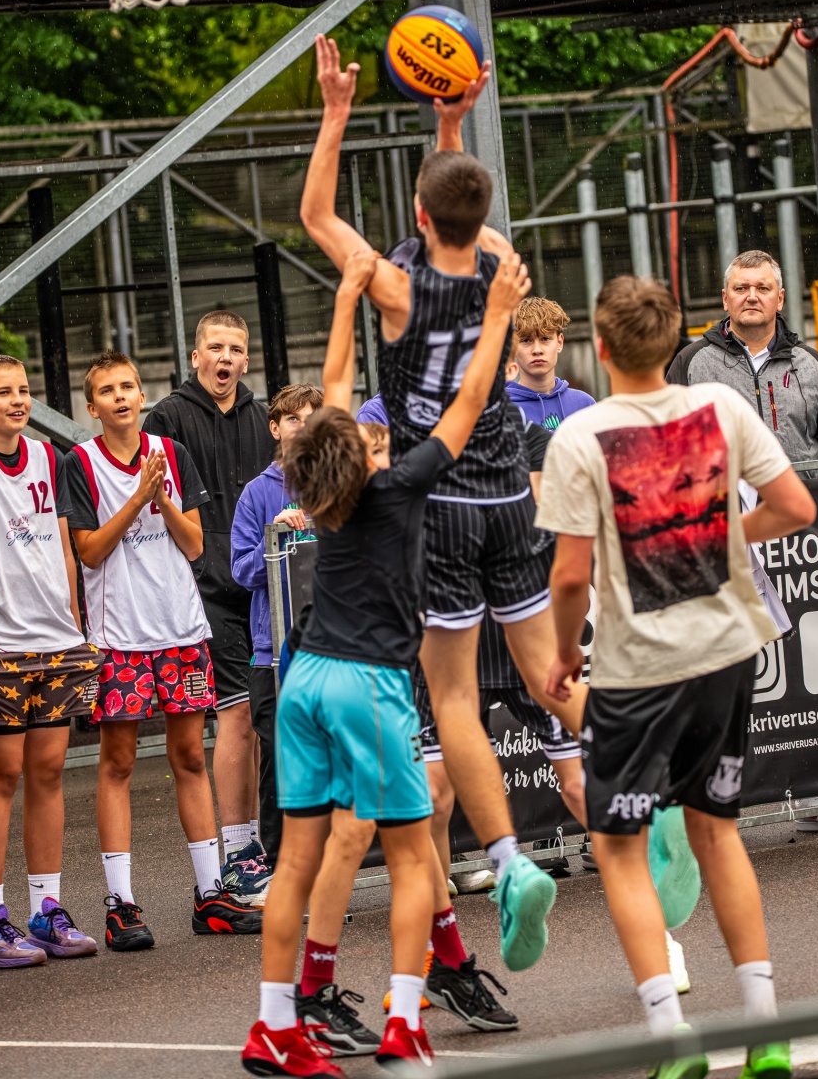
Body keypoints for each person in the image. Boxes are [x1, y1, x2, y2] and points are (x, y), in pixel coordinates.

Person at [300, 35, 588, 974]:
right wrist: (452, 122)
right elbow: (461, 204)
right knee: (548, 672)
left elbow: (315, 214)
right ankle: (644, 788)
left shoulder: (390, 285)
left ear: (416, 215)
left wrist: (337, 112)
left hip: (439, 492)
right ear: (478, 212)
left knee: (455, 696)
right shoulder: (502, 264)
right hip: (509, 483)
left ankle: (507, 861)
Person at [242, 245, 531, 1077]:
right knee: (411, 857)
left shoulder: (314, 486)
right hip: (368, 682)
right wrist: (498, 316)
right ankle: (405, 1024)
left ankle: (273, 1026)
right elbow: (470, 401)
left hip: (303, 678)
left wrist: (347, 297)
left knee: (296, 862)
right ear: (366, 454)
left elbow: (334, 388)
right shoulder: (402, 489)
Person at [540, 275, 816, 1079]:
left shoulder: (581, 435)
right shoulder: (721, 406)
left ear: (599, 345)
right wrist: (722, 537)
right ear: (675, 341)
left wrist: (563, 654)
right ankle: (766, 1030)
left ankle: (671, 1040)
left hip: (639, 667)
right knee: (718, 831)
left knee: (619, 846)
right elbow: (795, 507)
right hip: (726, 649)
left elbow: (569, 576)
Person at [667, 248, 818, 837]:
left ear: (781, 297)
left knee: (807, 673)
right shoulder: (691, 363)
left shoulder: (812, 364)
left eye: (762, 287)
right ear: (724, 298)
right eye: (740, 287)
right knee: (728, 677)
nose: (751, 296)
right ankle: (712, 806)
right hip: (726, 545)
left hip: (804, 540)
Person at [67, 350, 260, 946]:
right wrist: (136, 499)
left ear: (141, 394)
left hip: (180, 628)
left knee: (191, 758)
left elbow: (196, 544)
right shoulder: (81, 462)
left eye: (128, 386)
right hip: (120, 636)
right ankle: (121, 904)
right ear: (92, 406)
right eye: (108, 390)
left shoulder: (170, 453)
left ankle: (211, 894)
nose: (121, 397)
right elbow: (89, 552)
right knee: (119, 763)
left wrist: (163, 500)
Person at [0, 354, 101, 969]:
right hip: (2, 645)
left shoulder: (48, 457)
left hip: (55, 639)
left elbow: (63, 545)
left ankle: (45, 910)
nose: (18, 400)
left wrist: (76, 625)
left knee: (50, 771)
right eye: (3, 392)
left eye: (24, 390)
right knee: (1, 773)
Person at [143, 310, 275, 890]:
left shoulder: (264, 418)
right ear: (196, 356)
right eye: (215, 348)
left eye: (236, 349)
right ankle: (240, 849)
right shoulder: (167, 418)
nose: (226, 358)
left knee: (266, 717)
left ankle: (265, 841)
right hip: (203, 590)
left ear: (246, 360)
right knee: (237, 715)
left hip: (265, 586)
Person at [231, 383, 323, 880]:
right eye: (293, 419)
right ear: (275, 428)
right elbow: (241, 570)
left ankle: (342, 861)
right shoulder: (256, 493)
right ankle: (280, 866)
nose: (303, 428)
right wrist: (278, 537)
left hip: (335, 648)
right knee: (279, 761)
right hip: (274, 654)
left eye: (313, 419)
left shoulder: (341, 483)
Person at [505, 296, 595, 431]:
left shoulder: (584, 404)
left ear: (559, 343)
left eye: (545, 339)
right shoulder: (504, 410)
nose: (537, 350)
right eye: (526, 340)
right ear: (514, 346)